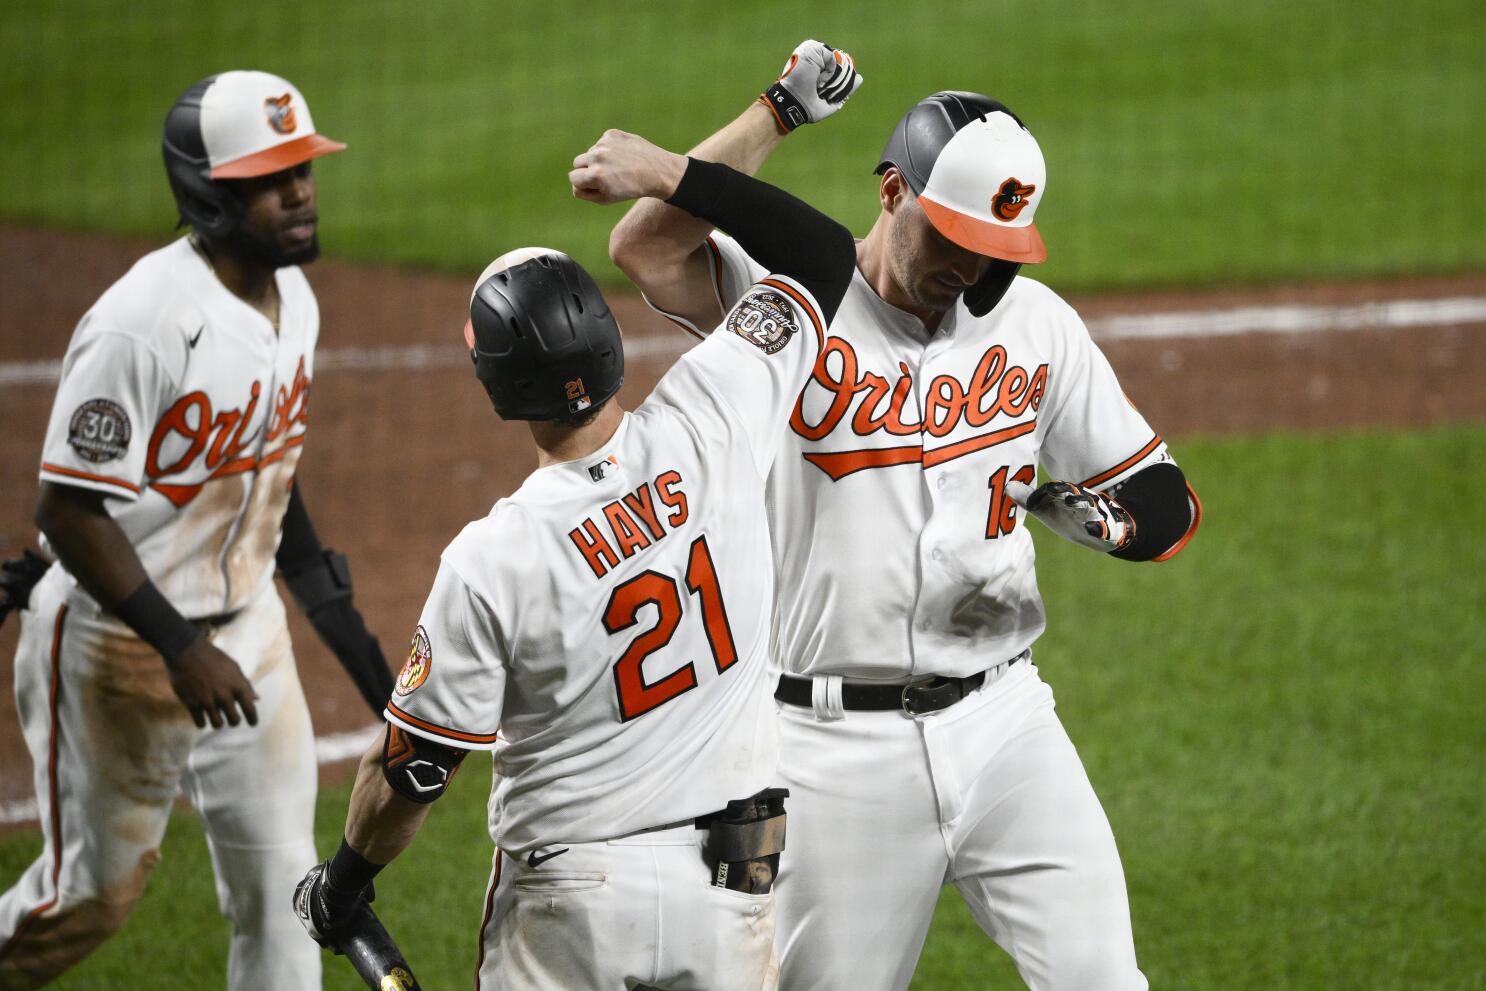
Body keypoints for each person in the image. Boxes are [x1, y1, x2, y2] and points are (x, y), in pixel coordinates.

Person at [608, 42, 1202, 991]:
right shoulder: (792, 307)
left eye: (994, 249)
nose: (969, 267)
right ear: (893, 190)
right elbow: (647, 244)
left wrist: (1112, 525)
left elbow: (1164, 496)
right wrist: (776, 112)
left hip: (1008, 723)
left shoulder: (1035, 326)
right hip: (831, 751)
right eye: (952, 235)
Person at [291, 129, 857, 991]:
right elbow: (821, 250)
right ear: (607, 341)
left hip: (572, 908)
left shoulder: (493, 556)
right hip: (730, 895)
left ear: (496, 385)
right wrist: (679, 168)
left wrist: (344, 882)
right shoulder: (717, 414)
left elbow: (412, 767)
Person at [0, 71, 394, 990]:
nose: (300, 191)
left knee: (288, 891)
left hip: (247, 636)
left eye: (303, 169)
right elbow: (65, 508)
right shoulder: (141, 324)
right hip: (114, 642)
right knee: (90, 897)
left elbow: (273, 479)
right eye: (271, 178)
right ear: (210, 194)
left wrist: (369, 666)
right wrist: (178, 645)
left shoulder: (296, 301)